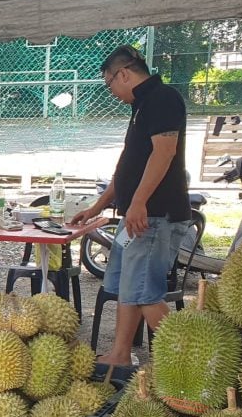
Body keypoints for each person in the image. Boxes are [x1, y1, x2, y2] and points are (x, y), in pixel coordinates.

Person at [70, 45, 191, 366]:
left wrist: (139, 202)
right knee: (126, 283)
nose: (110, 91)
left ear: (123, 74)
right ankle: (120, 355)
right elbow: (129, 164)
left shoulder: (163, 98)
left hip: (152, 217)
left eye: (109, 83)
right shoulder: (140, 106)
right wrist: (99, 206)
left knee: (144, 291)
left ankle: (191, 365)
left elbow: (164, 153)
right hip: (134, 217)